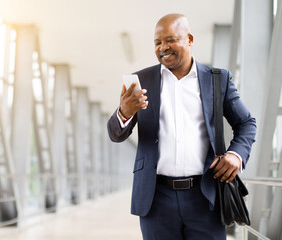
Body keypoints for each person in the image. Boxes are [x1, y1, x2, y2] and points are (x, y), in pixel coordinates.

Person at [107, 13, 256, 240]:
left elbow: (245, 122)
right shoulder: (142, 81)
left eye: (170, 40)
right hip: (156, 199)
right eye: (157, 43)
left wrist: (236, 155)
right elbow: (115, 134)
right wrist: (124, 112)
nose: (163, 47)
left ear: (189, 39)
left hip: (206, 196)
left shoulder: (217, 80)